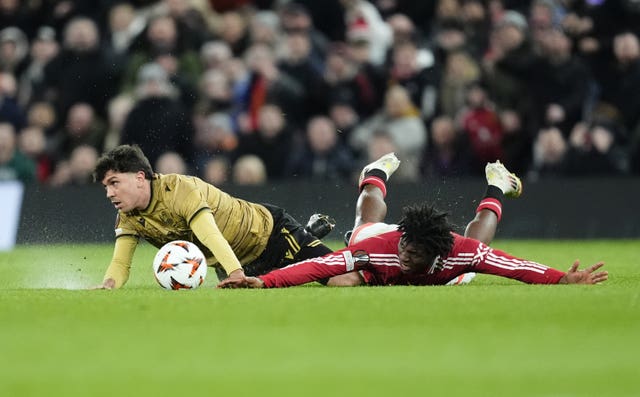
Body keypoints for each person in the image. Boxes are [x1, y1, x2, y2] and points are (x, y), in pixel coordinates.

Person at [219, 153, 608, 288]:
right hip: (373, 249)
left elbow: (514, 266)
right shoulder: (387, 247)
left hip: (443, 262)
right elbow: (317, 265)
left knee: (482, 245)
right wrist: (264, 282)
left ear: (436, 252)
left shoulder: (459, 253)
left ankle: (497, 186)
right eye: (405, 246)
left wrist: (561, 277)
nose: (406, 255)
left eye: (414, 252)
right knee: (361, 228)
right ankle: (377, 173)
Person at [91, 144, 335, 289]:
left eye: (114, 183)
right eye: (105, 187)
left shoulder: (179, 190)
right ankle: (309, 234)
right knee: (269, 292)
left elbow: (210, 235)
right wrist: (108, 286)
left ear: (140, 177)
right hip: (235, 262)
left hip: (271, 235)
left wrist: (236, 273)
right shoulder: (128, 216)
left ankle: (343, 239)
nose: (109, 193)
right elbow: (121, 263)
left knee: (344, 280)